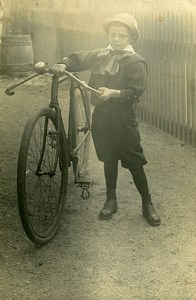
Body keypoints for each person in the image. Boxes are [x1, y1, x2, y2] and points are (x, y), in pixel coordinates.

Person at [52, 13, 161, 226]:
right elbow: (81, 58)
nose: (116, 39)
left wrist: (114, 92)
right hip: (102, 116)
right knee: (109, 158)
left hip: (123, 119)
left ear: (131, 39)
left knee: (134, 160)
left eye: (122, 36)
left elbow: (136, 91)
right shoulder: (102, 55)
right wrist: (64, 64)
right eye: (113, 34)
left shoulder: (136, 62)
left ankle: (147, 203)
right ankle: (111, 200)